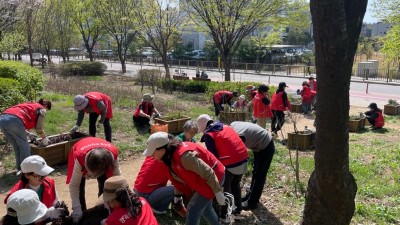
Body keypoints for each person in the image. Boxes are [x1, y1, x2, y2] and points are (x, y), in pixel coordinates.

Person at [144, 132, 226, 225]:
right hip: (203, 177)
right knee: (205, 209)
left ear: (162, 150)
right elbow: (176, 178)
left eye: (153, 152)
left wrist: (218, 192)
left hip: (214, 176)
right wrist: (177, 197)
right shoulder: (167, 157)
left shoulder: (185, 156)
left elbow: (208, 172)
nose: (151, 156)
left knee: (193, 209)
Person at [197, 114, 248, 221]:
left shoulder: (209, 134)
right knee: (235, 184)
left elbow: (213, 157)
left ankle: (224, 215)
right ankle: (238, 212)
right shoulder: (226, 127)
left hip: (231, 163)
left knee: (225, 188)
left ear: (203, 126)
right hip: (243, 159)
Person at [66, 137, 121, 223]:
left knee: (106, 184)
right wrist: (76, 208)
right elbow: (74, 185)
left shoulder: (113, 158)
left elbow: (118, 181)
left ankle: (103, 207)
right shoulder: (79, 157)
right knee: (80, 187)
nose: (91, 177)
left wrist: (113, 202)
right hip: (81, 148)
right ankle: (82, 213)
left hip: (103, 162)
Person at [230, 122, 275, 210]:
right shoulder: (232, 125)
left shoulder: (237, 135)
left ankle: (252, 202)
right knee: (255, 172)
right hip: (258, 144)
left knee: (260, 175)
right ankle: (250, 195)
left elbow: (239, 155)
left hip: (266, 146)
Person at [0, 99, 52, 170]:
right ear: (46, 106)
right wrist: (44, 138)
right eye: (47, 109)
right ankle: (26, 170)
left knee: (17, 146)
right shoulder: (42, 109)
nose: (46, 110)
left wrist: (28, 133)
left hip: (2, 119)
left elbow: (18, 118)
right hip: (14, 121)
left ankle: (20, 169)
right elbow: (38, 128)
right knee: (25, 146)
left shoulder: (30, 105)